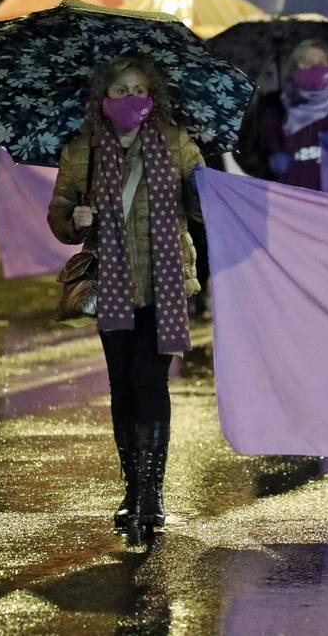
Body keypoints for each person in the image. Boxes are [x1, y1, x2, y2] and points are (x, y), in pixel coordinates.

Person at [48, 55, 204, 534]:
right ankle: (133, 488)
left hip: (168, 282)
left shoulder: (178, 144)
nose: (130, 98)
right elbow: (59, 216)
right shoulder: (82, 152)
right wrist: (72, 220)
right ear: (102, 98)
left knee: (148, 380)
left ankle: (152, 492)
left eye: (139, 88)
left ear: (153, 95)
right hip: (111, 284)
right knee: (123, 384)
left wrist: (206, 187)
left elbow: (202, 210)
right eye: (119, 90)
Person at [249, 40, 328, 190]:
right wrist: (269, 162)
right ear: (295, 67)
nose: (315, 68)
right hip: (289, 198)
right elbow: (254, 154)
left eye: (321, 63)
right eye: (307, 62)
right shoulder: (275, 107)